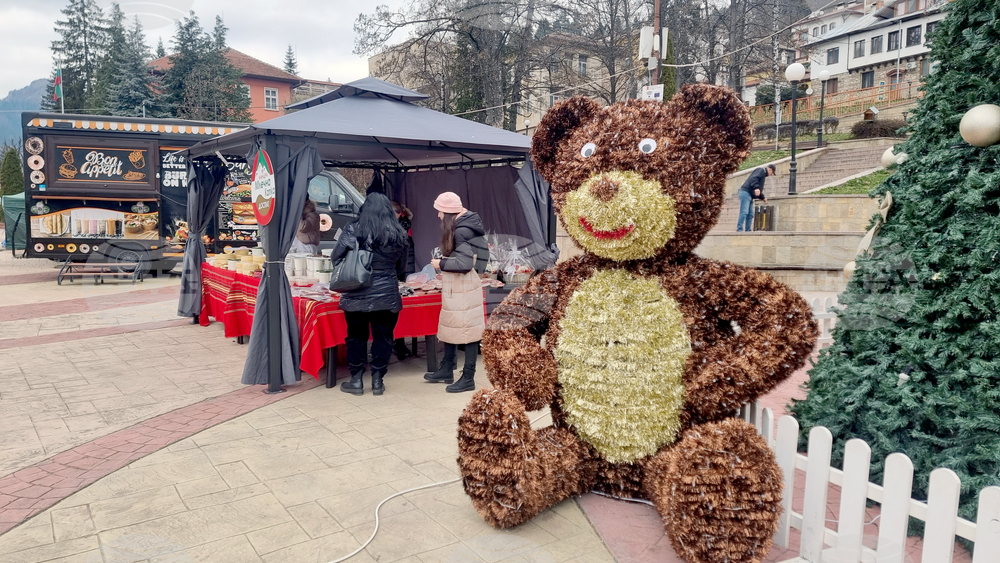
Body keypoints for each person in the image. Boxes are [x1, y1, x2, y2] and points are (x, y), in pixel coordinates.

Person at [329, 193, 408, 396]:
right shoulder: (399, 233)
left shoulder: (353, 229)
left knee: (356, 337)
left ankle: (356, 380)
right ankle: (378, 381)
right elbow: (401, 268)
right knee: (383, 338)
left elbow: (335, 256)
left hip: (356, 293)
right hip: (387, 293)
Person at [424, 192, 489, 393]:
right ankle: (446, 368)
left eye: (440, 212)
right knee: (451, 326)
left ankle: (468, 377)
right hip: (463, 285)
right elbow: (482, 257)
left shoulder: (461, 231)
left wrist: (440, 263)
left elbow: (464, 263)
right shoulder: (469, 225)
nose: (438, 216)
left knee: (468, 332)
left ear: (450, 213)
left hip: (462, 285)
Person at [391, 200, 416, 360]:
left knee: (397, 309)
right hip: (404, 268)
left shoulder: (398, 227)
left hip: (399, 270)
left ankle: (398, 343)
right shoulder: (405, 223)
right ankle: (399, 343)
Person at [737, 164, 774, 232]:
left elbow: (758, 192)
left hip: (750, 195)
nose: (771, 175)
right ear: (770, 169)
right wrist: (756, 187)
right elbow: (753, 178)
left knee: (750, 214)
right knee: (744, 212)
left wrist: (763, 197)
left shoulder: (762, 175)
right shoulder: (761, 170)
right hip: (745, 192)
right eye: (772, 173)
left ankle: (748, 230)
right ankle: (739, 230)